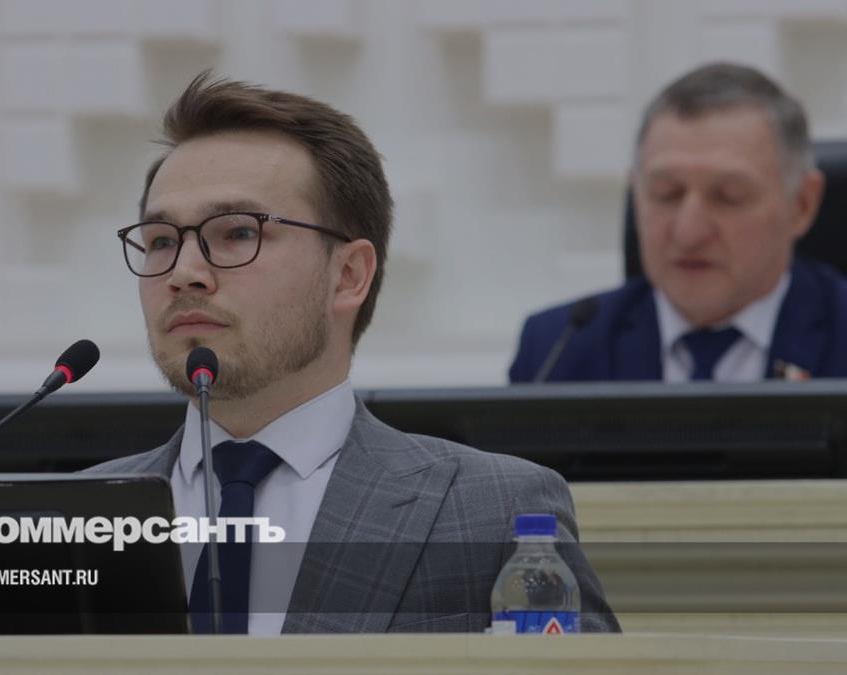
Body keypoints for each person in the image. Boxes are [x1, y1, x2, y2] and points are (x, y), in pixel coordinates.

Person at [86, 72, 618, 634]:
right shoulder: (77, 514)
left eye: (237, 232)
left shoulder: (491, 510)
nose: (184, 273)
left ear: (348, 275)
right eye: (162, 241)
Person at [510, 62, 847, 383]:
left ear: (801, 205)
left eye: (728, 197)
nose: (689, 233)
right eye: (666, 194)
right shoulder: (557, 350)